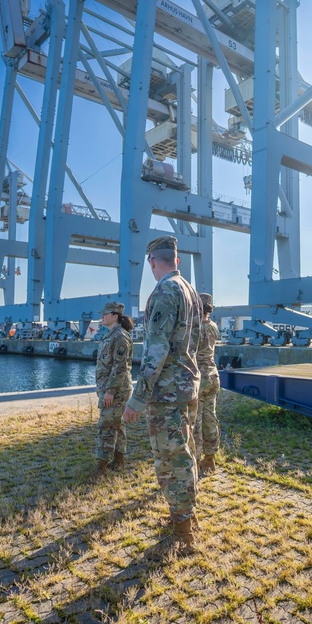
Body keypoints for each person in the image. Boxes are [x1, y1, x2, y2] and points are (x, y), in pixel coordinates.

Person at [123, 235, 201, 558]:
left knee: (170, 457)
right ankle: (187, 516)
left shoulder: (165, 291)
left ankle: (183, 529)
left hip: (167, 389)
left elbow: (156, 348)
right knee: (185, 451)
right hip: (186, 385)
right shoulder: (191, 291)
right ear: (177, 260)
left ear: (152, 262)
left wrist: (137, 398)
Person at [92, 301, 134, 478]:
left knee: (107, 426)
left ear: (115, 316)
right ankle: (119, 461)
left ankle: (101, 466)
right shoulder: (111, 335)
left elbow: (120, 367)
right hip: (111, 389)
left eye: (105, 314)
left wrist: (110, 391)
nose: (102, 316)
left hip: (115, 390)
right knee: (117, 426)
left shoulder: (120, 337)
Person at [194, 293, 221, 474]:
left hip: (198, 378)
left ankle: (194, 461)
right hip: (213, 375)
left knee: (195, 421)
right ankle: (210, 458)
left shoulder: (194, 328)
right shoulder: (213, 326)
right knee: (210, 418)